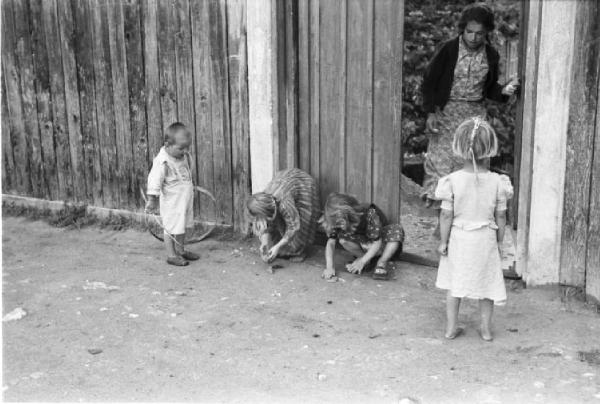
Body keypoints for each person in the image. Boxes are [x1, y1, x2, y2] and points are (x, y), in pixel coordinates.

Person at [421, 2, 519, 210]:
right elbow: (429, 81)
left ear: (487, 33)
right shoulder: (448, 49)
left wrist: (503, 91)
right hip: (446, 111)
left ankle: (469, 207)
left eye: (480, 34)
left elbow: (489, 88)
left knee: (472, 155)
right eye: (469, 32)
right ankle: (442, 210)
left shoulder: (491, 55)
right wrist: (430, 112)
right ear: (463, 29)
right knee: (442, 159)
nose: (473, 38)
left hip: (474, 113)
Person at [435, 116, 513, 341]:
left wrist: (443, 241)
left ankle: (451, 328)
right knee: (487, 284)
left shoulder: (452, 181)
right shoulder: (498, 182)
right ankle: (486, 329)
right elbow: (501, 215)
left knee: (454, 283)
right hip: (485, 239)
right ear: (490, 148)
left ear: (460, 147)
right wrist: (499, 241)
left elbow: (446, 214)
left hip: (459, 238)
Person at [145, 122, 200, 267]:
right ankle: (171, 255)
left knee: (181, 226)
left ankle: (180, 250)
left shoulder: (181, 156)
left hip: (184, 199)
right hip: (172, 202)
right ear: (167, 145)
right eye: (181, 148)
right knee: (170, 227)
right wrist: (152, 200)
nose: (185, 151)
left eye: (187, 147)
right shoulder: (162, 161)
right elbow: (154, 180)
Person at [321, 193, 404, 281]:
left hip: (380, 245)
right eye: (337, 224)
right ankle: (366, 260)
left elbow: (377, 242)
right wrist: (329, 267)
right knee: (343, 240)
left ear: (348, 213)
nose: (339, 226)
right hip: (364, 246)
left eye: (340, 223)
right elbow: (331, 243)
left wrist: (361, 262)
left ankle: (381, 263)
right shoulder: (336, 221)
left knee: (396, 230)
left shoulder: (369, 212)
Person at [246, 168, 320, 264]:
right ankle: (284, 248)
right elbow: (266, 226)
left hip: (303, 185)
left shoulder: (284, 203)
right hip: (285, 182)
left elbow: (293, 227)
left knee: (302, 223)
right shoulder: (263, 202)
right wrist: (264, 243)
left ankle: (299, 252)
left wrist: (277, 247)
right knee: (276, 232)